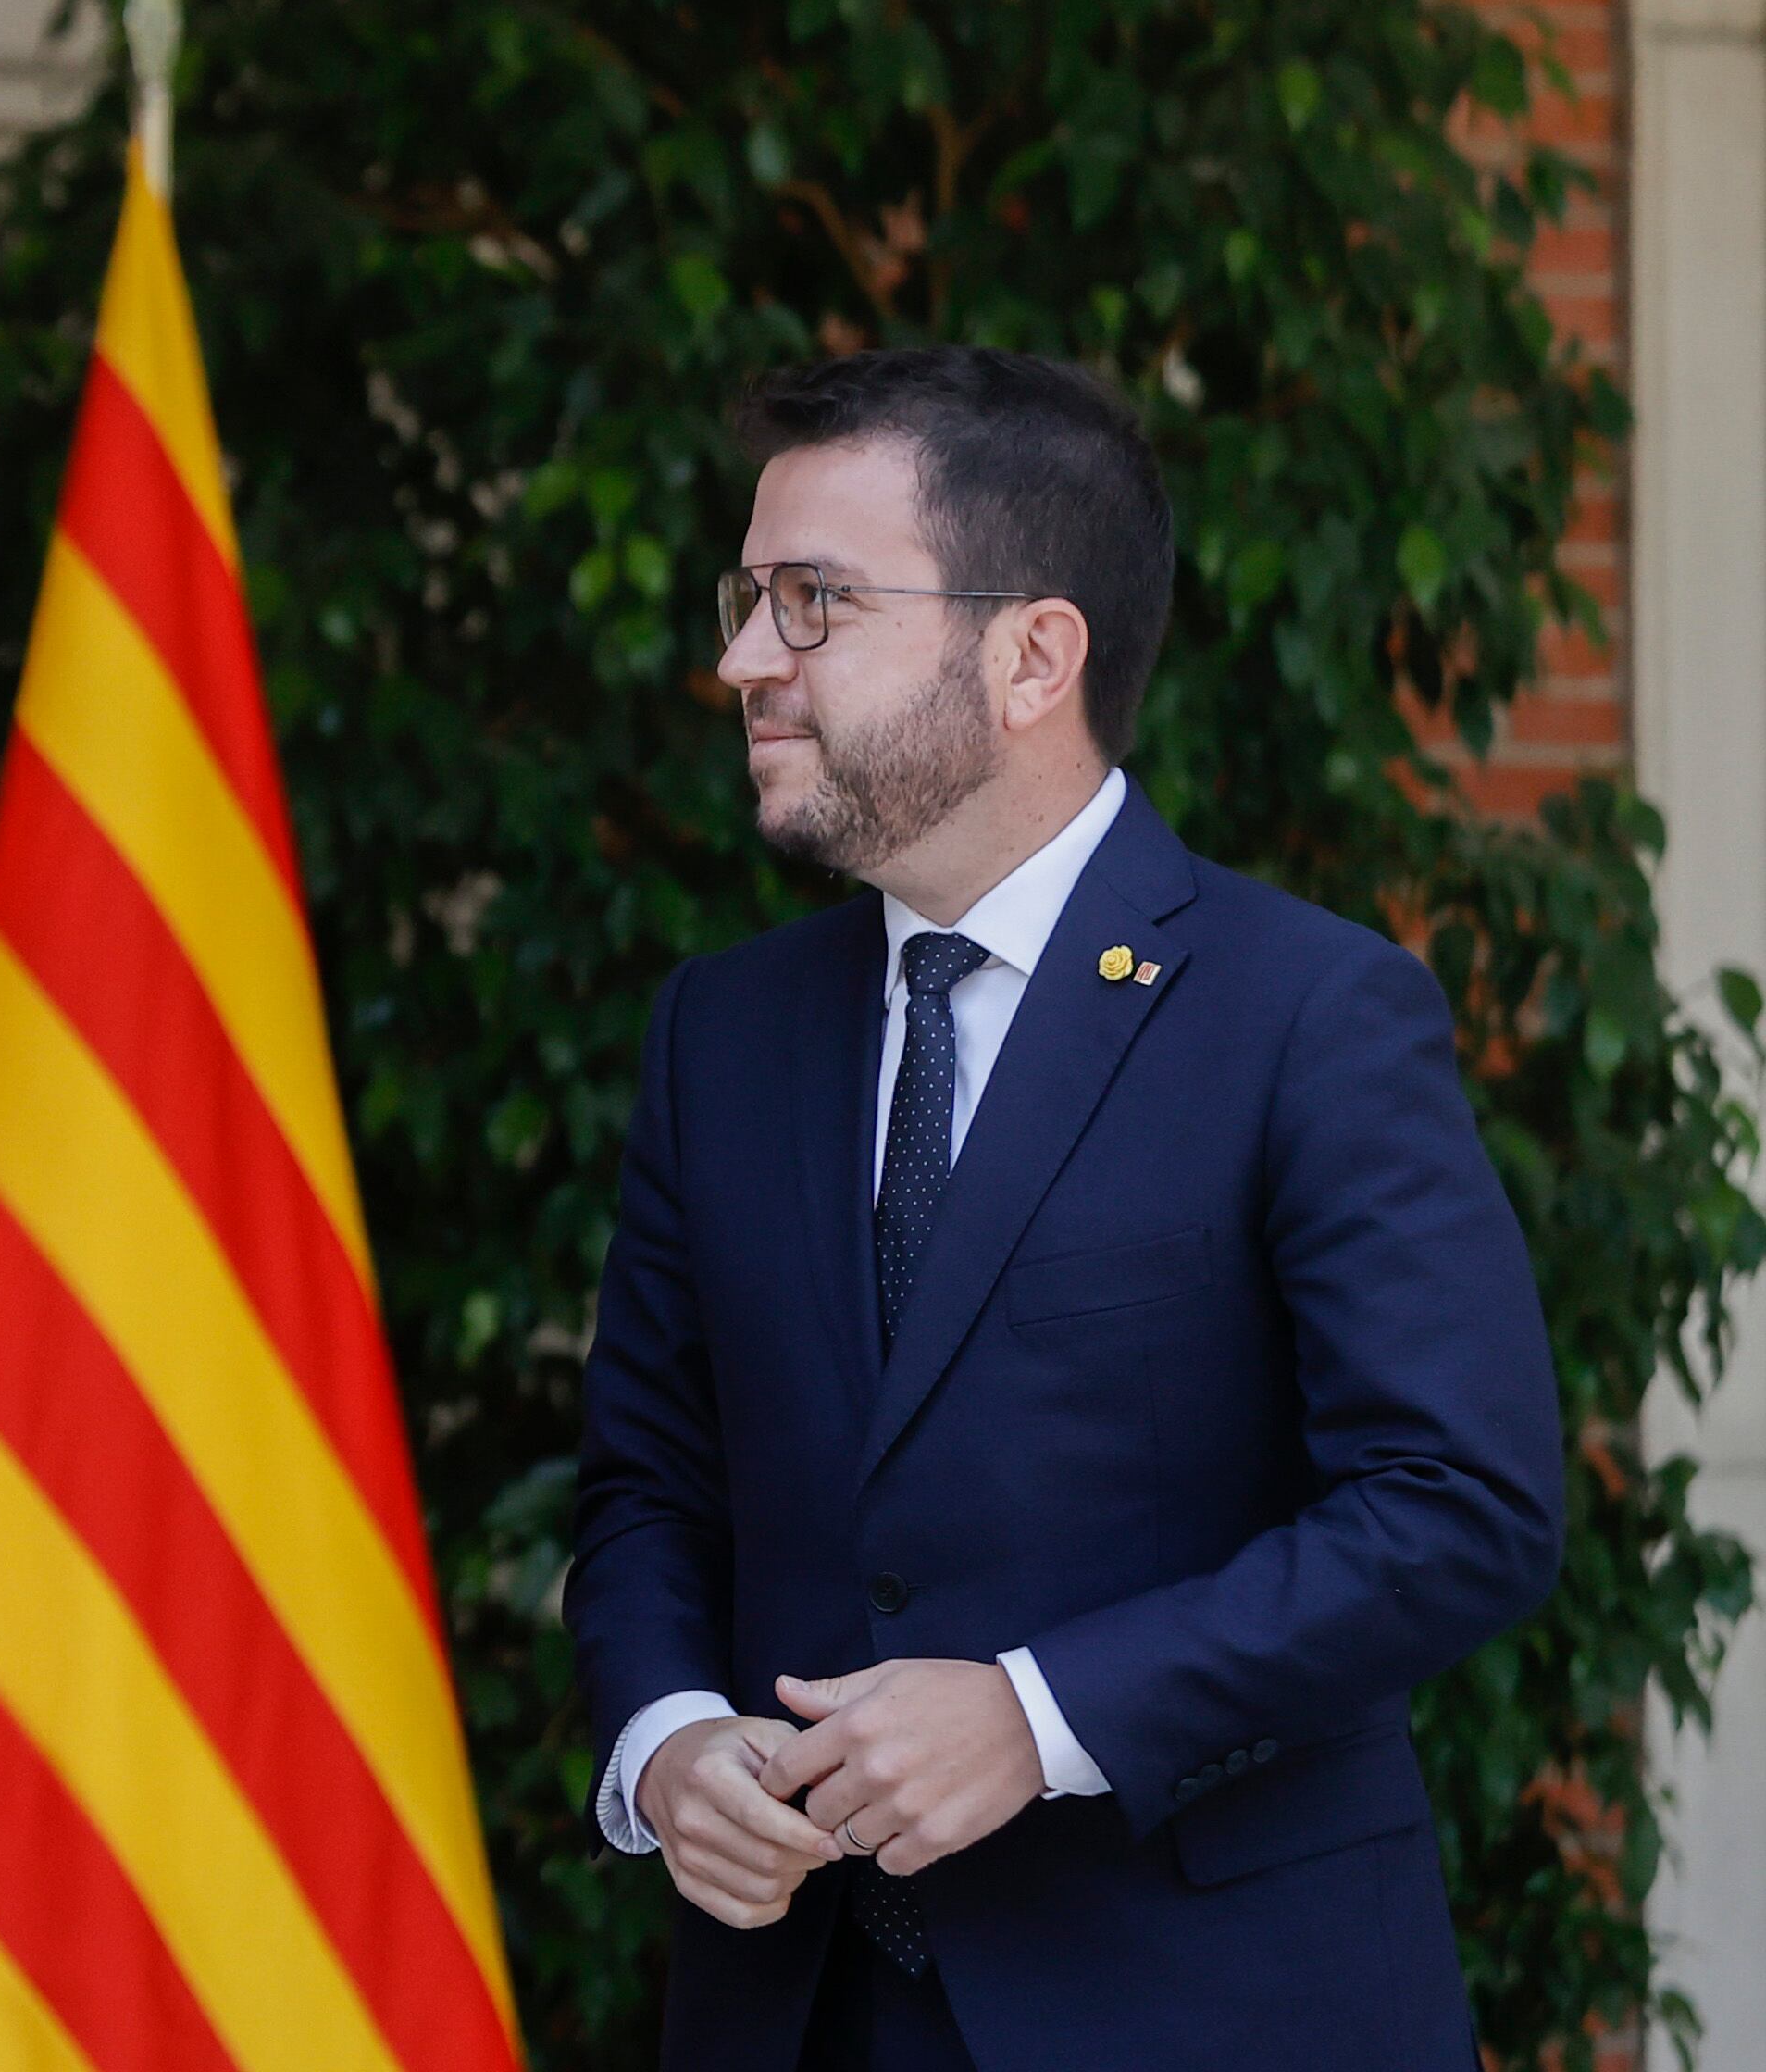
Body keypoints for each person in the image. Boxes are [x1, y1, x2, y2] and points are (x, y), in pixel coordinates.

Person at [566, 347, 1562, 2070]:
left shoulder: (1307, 1015)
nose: (741, 659)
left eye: (814, 603)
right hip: (792, 2018)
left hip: (1213, 2012)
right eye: (748, 597)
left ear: (1032, 653)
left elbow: (1459, 1504)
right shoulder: (716, 1033)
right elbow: (650, 1487)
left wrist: (1041, 1719)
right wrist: (663, 1744)